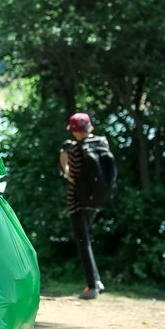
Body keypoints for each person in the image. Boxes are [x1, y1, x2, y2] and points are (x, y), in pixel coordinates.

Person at [59, 112, 107, 300]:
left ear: (74, 131)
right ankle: (97, 281)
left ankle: (92, 286)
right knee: (87, 240)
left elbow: (71, 175)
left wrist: (66, 171)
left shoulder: (74, 150)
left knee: (83, 242)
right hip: (96, 200)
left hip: (77, 201)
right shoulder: (103, 143)